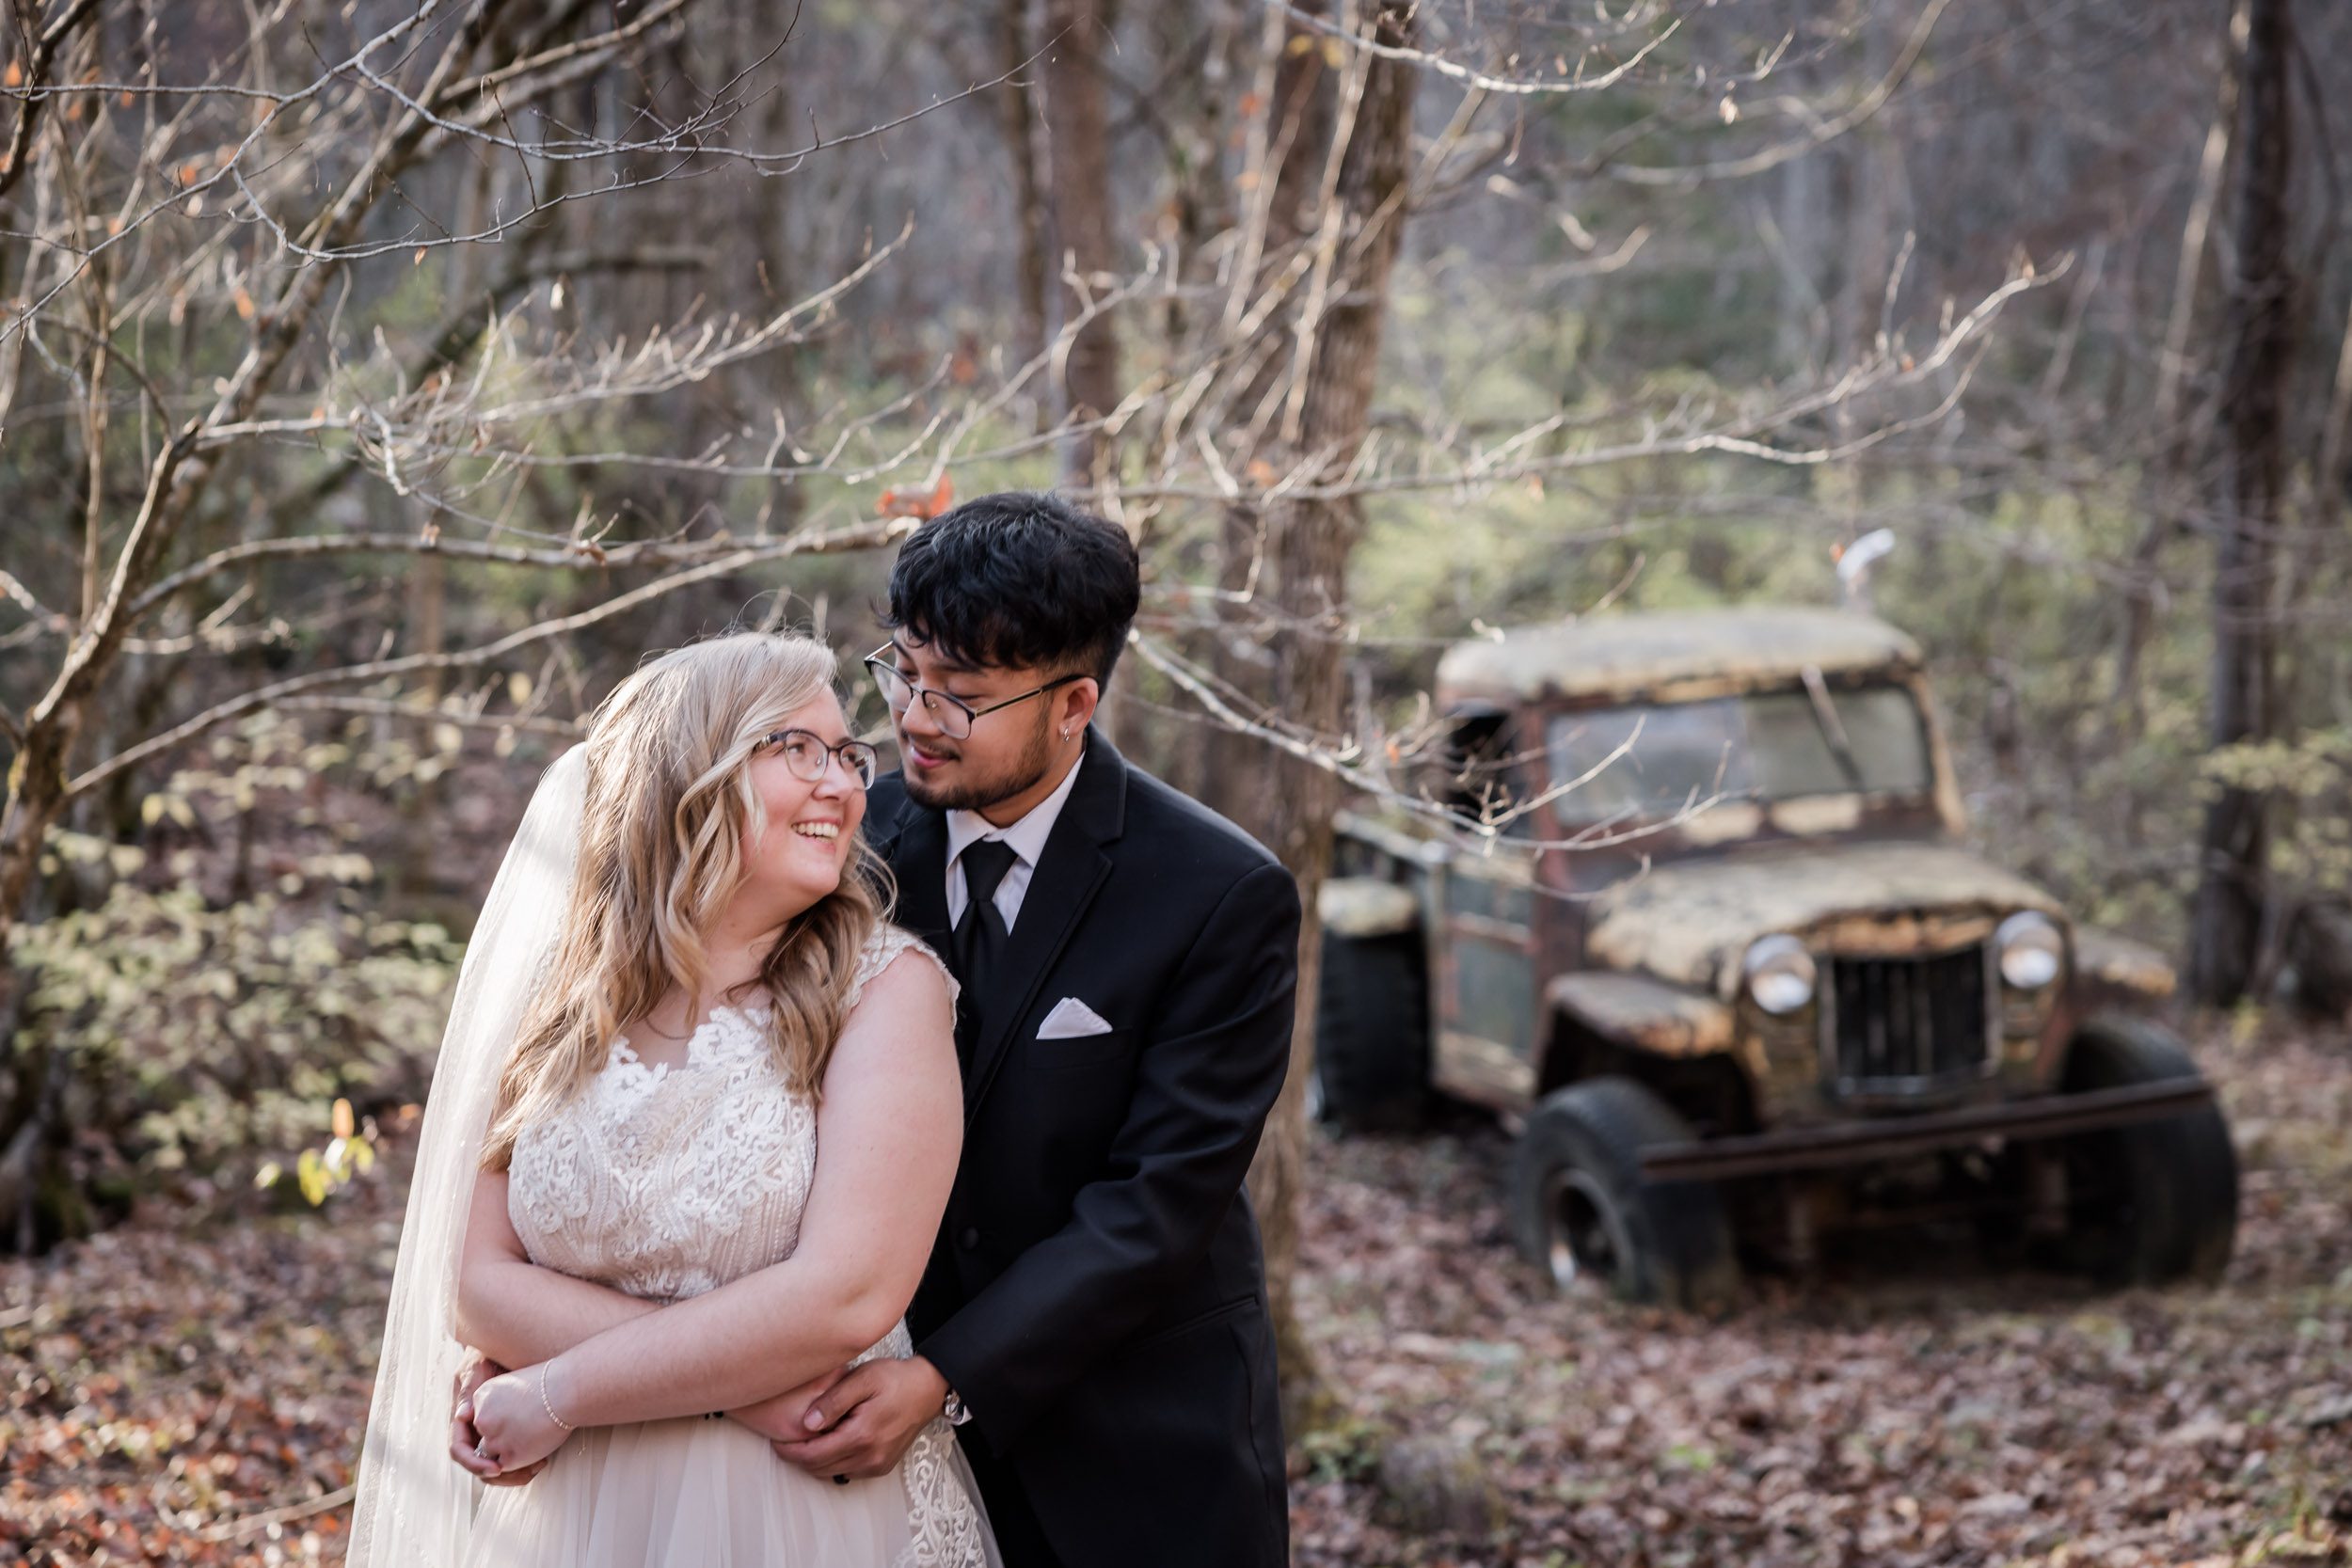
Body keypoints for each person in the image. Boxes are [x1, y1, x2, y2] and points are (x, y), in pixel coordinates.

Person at [347, 633, 998, 1567]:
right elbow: (471, 1283)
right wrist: (748, 1389)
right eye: (798, 748)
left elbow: (844, 1296)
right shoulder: (560, 998)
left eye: (847, 754)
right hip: (571, 1516)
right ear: (690, 771)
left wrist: (559, 1388)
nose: (846, 784)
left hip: (798, 1517)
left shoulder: (888, 990)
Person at [761, 493, 1301, 1568]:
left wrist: (943, 1376)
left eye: (961, 696)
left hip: (1138, 1444)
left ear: (1073, 703)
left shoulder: (1220, 892)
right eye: (904, 669)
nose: (914, 716)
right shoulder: (846, 846)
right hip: (859, 1444)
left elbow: (1156, 1202)